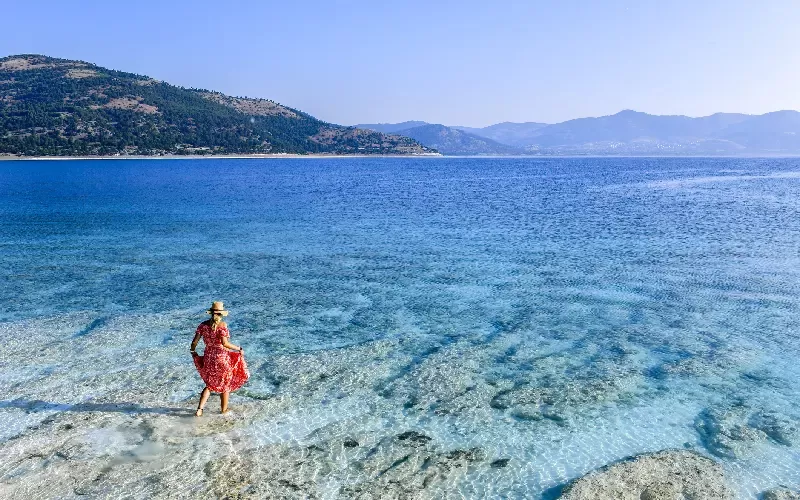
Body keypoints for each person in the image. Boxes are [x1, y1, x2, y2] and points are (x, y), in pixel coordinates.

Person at [190, 301, 249, 416]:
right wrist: (238, 348)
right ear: (221, 314)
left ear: (211, 313)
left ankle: (199, 409)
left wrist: (193, 351)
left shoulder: (202, 325)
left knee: (209, 385)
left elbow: (194, 342)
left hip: (209, 357)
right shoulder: (222, 326)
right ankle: (224, 410)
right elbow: (225, 343)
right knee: (225, 384)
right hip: (222, 358)